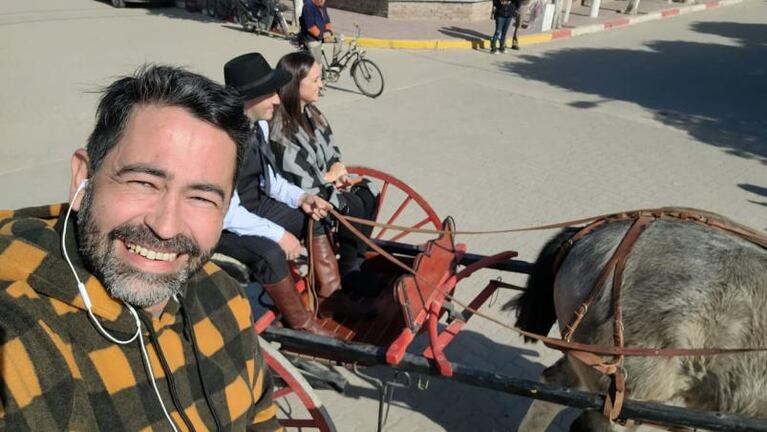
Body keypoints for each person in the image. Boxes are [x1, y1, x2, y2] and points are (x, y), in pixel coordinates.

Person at [0, 65, 281, 431]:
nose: (165, 227)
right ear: (83, 178)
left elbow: (261, 418)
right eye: (144, 183)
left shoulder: (224, 296)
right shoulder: (18, 334)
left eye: (200, 197)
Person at [218, 53, 375, 338]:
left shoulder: (259, 125)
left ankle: (330, 298)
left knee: (315, 218)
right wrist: (278, 234)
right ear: (249, 98)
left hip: (255, 206)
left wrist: (303, 198)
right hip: (224, 222)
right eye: (270, 95)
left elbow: (273, 182)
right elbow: (227, 212)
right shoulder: (222, 141)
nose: (278, 100)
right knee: (269, 254)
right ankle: (300, 323)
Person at [270, 52, 380, 294]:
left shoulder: (313, 114)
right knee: (353, 206)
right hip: (301, 194)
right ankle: (349, 271)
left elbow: (331, 148)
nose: (322, 84)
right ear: (295, 85)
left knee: (369, 191)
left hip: (323, 182)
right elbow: (298, 175)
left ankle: (357, 257)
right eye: (316, 80)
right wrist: (330, 177)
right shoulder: (281, 129)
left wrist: (338, 169)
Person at [299, 0, 339, 77]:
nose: (323, 1)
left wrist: (328, 31)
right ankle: (319, 81)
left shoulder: (322, 5)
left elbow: (327, 21)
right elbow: (310, 27)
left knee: (339, 38)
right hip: (312, 38)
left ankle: (334, 62)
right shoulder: (308, 6)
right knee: (318, 64)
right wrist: (322, 35)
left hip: (322, 36)